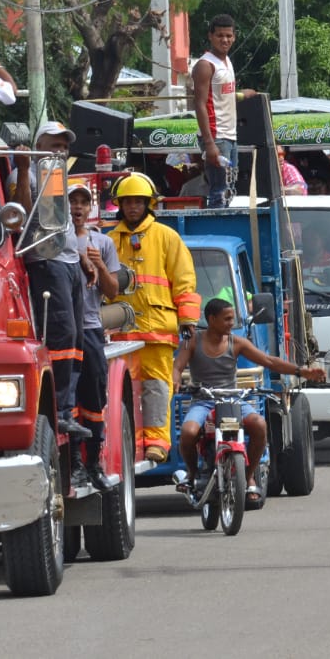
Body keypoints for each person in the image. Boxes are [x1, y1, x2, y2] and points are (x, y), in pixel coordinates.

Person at [173, 298, 325, 503]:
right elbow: (177, 367)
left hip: (232, 400)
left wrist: (302, 371)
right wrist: (175, 381)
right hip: (203, 400)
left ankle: (249, 475)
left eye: (232, 319)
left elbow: (270, 361)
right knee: (188, 432)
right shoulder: (192, 341)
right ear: (211, 319)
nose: (231, 323)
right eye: (227, 319)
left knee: (259, 425)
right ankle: (191, 474)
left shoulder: (236, 343)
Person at [107, 173, 201, 462]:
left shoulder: (166, 237)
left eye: (138, 201)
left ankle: (158, 444)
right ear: (119, 205)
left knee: (157, 388)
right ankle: (134, 446)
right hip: (121, 334)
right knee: (126, 393)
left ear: (148, 204)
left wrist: (188, 320)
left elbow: (184, 281)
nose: (133, 207)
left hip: (157, 331)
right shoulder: (109, 240)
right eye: (128, 202)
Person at [11, 122, 90, 439]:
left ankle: (68, 410)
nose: (60, 150)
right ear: (38, 143)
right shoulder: (26, 174)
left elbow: (64, 224)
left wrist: (83, 259)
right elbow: (26, 219)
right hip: (46, 260)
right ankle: (58, 410)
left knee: (76, 338)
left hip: (69, 262)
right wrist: (21, 169)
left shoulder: (58, 175)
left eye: (63, 146)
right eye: (54, 144)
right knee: (61, 334)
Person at [68, 182, 121, 490]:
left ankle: (93, 463)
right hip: (63, 330)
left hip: (89, 327)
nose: (77, 208)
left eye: (82, 203)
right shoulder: (55, 240)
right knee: (68, 398)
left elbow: (113, 291)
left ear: (91, 208)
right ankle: (73, 461)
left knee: (94, 393)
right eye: (72, 202)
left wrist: (99, 264)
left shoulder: (103, 243)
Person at [191, 15, 257, 209]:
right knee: (219, 191)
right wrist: (210, 143)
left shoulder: (227, 61)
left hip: (230, 135)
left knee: (230, 189)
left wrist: (243, 95)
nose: (225, 40)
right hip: (216, 136)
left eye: (229, 35)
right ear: (211, 36)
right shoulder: (205, 65)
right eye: (220, 35)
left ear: (234, 37)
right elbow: (200, 104)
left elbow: (221, 95)